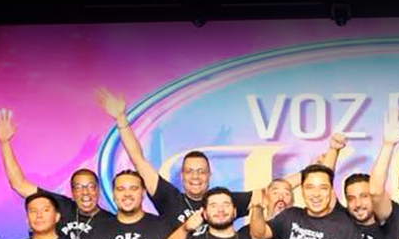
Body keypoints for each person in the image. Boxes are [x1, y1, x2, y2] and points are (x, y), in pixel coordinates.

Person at [100, 86, 315, 226]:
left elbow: (274, 191)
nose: (195, 176)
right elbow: (138, 160)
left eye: (201, 171)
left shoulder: (223, 201)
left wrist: (311, 172)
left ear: (209, 176)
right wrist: (121, 119)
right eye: (190, 171)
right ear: (182, 176)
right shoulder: (169, 198)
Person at [0, 107, 121, 239]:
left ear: (98, 190)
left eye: (90, 186)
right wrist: (4, 143)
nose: (85, 192)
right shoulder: (63, 206)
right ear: (72, 192)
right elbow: (19, 184)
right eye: (79, 187)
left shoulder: (111, 221)